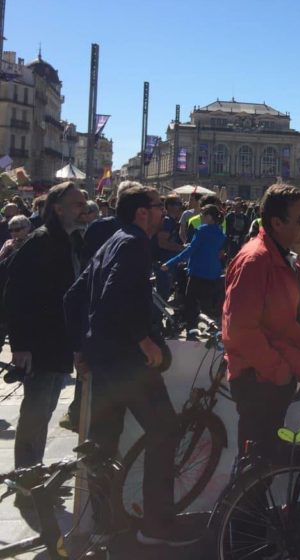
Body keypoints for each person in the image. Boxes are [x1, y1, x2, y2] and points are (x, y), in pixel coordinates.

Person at [65, 185, 199, 546]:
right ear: (142, 212)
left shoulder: (112, 240)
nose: (164, 213)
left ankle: (106, 524)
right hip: (127, 362)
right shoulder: (134, 243)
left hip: (103, 361)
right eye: (159, 207)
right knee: (166, 430)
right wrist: (142, 338)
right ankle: (156, 524)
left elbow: (74, 296)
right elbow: (112, 297)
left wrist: (81, 349)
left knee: (103, 444)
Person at [222, 185, 300, 455]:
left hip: (271, 374)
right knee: (255, 469)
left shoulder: (282, 255)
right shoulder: (256, 260)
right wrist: (278, 370)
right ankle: (243, 499)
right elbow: (239, 329)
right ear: (277, 222)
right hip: (260, 378)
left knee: (263, 463)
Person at [5, 183, 86, 474]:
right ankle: (26, 477)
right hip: (40, 343)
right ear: (57, 207)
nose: (83, 209)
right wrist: (21, 345)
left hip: (58, 341)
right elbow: (16, 294)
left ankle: (32, 470)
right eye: (77, 204)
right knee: (36, 412)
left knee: (45, 409)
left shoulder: (69, 240)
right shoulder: (41, 241)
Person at [162, 203, 226, 336]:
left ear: (209, 217)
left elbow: (190, 250)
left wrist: (169, 263)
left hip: (197, 273)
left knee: (191, 305)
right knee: (209, 307)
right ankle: (214, 330)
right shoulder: (220, 233)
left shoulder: (202, 231)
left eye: (202, 214)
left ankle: (192, 332)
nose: (200, 217)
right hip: (214, 274)